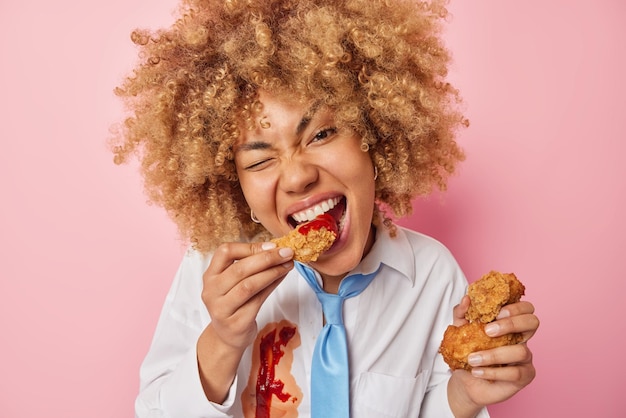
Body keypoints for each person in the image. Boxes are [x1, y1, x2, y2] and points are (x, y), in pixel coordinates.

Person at [111, 0, 540, 417]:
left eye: (320, 135)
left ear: (377, 134)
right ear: (231, 185)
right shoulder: (211, 274)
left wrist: (462, 397)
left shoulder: (432, 276)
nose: (298, 177)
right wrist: (222, 340)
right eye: (260, 160)